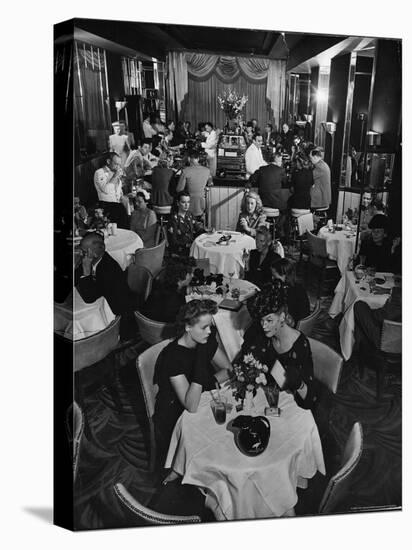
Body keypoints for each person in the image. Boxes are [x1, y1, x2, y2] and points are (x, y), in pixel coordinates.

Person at [153, 299, 232, 464]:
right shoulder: (172, 357)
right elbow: (191, 405)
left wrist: (209, 382)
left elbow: (229, 370)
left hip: (201, 398)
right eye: (204, 327)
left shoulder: (205, 339)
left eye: (210, 325)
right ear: (188, 327)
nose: (210, 331)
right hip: (174, 413)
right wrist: (202, 361)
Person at [239, 281, 318, 410]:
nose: (264, 326)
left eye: (269, 320)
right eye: (261, 320)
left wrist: (298, 384)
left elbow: (310, 401)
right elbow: (246, 361)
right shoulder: (262, 334)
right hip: (266, 397)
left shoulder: (299, 346)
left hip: (290, 404)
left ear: (282, 317)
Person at [74, 232, 133, 315]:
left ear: (95, 254)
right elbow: (76, 277)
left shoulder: (108, 270)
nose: (80, 253)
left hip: (114, 313)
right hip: (101, 304)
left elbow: (89, 298)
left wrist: (86, 271)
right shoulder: (92, 259)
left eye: (83, 251)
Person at [353, 283, 401, 360]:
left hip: (386, 341)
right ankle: (358, 348)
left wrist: (385, 305)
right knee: (365, 315)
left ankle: (356, 351)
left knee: (359, 306)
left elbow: (379, 317)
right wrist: (389, 291)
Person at [143, 258, 195, 323]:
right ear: (186, 276)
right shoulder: (175, 301)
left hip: (147, 322)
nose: (192, 276)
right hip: (163, 328)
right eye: (191, 273)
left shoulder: (160, 283)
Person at [93, 152, 129, 229]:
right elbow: (106, 190)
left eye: (119, 164)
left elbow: (118, 191)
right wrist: (115, 176)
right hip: (106, 207)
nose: (118, 167)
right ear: (108, 161)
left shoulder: (115, 172)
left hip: (118, 207)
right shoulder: (99, 173)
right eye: (116, 164)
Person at [270, 257, 310, 324]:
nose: (272, 278)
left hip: (292, 323)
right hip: (297, 321)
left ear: (283, 274)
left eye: (274, 275)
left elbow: (280, 310)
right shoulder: (297, 286)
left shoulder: (286, 291)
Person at [176, 151, 213, 217]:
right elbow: (210, 184)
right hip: (202, 205)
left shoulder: (186, 171)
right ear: (198, 159)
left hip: (188, 206)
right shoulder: (207, 170)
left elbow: (179, 189)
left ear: (189, 159)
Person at [167, 191, 204, 256]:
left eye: (188, 202)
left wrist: (207, 231)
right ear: (178, 203)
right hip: (180, 251)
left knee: (206, 255)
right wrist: (189, 245)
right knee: (203, 257)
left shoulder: (190, 215)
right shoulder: (173, 219)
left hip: (192, 247)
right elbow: (173, 242)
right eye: (183, 202)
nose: (187, 205)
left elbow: (197, 229)